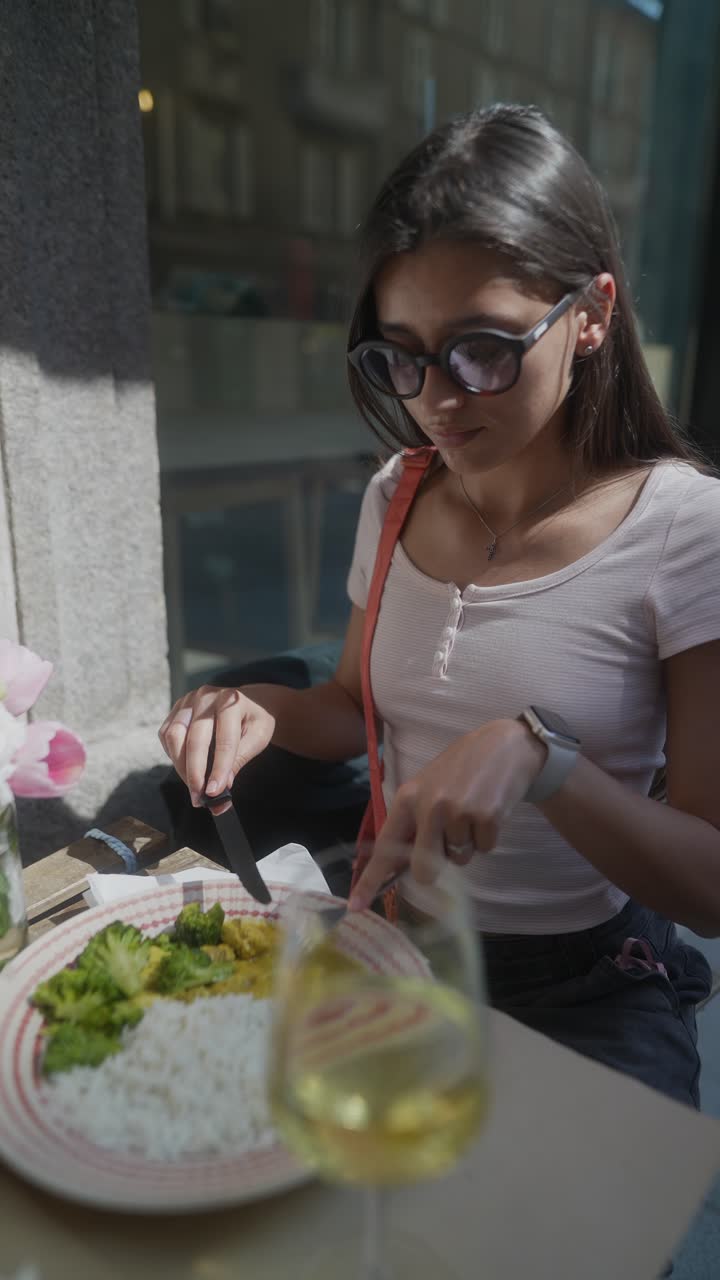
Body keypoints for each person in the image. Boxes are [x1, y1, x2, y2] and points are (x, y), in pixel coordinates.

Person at [159, 105, 717, 1110]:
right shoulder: (399, 491)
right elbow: (347, 704)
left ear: (592, 313)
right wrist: (253, 707)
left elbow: (712, 884)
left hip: (584, 988)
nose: (438, 398)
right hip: (390, 945)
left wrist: (542, 756)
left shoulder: (685, 528)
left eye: (483, 348)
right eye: (401, 355)